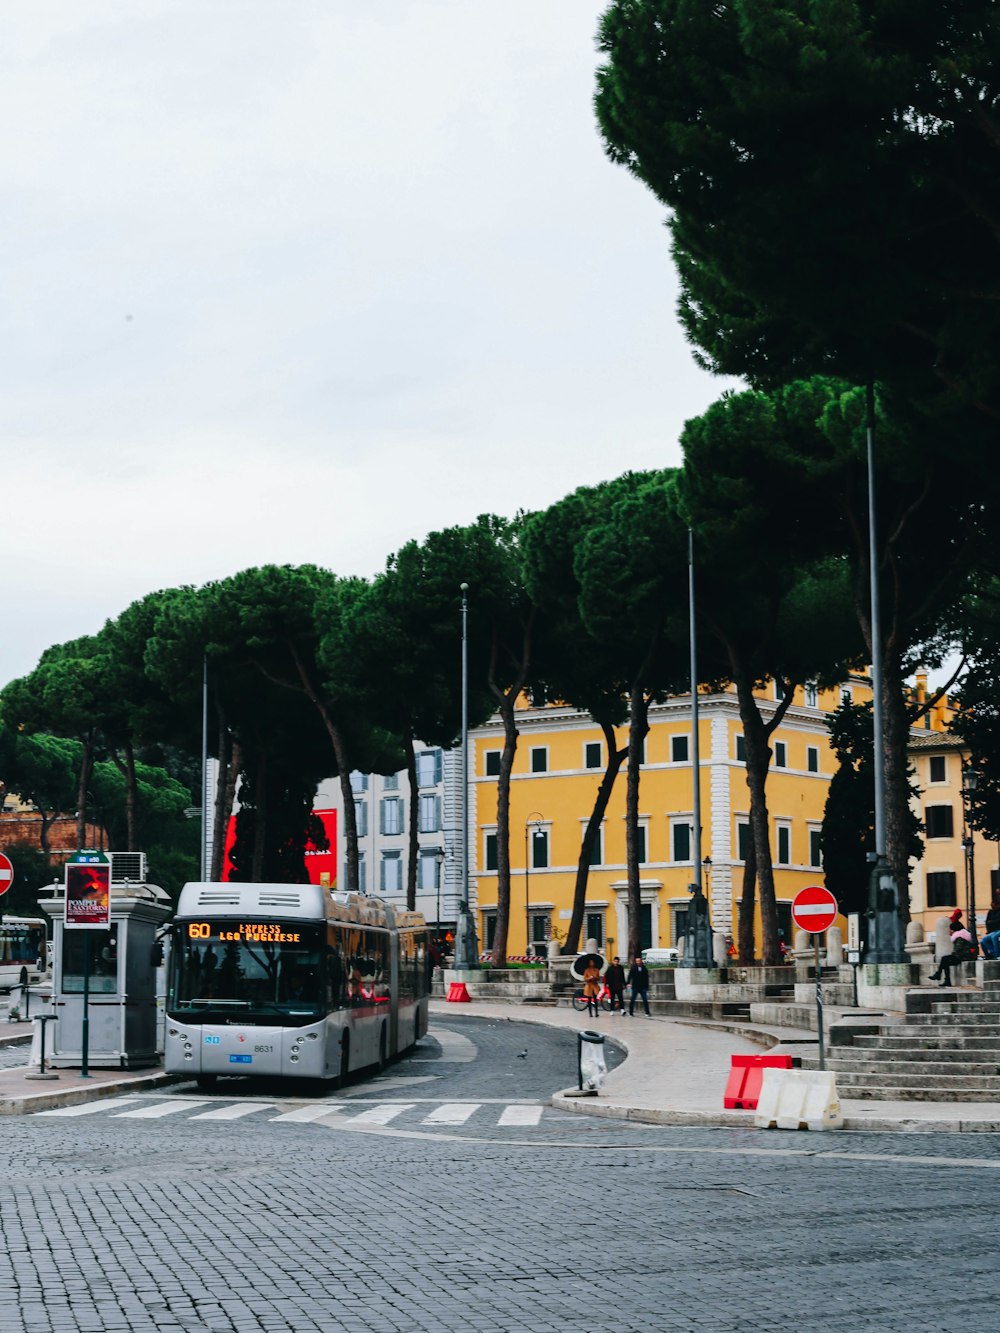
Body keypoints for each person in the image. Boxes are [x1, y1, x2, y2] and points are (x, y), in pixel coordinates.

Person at [929, 919, 975, 986]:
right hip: (962, 956)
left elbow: (958, 950)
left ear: (954, 930)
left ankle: (940, 976)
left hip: (963, 956)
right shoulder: (962, 935)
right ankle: (943, 978)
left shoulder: (960, 936)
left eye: (951, 930)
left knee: (945, 959)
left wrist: (952, 955)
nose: (950, 931)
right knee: (945, 961)